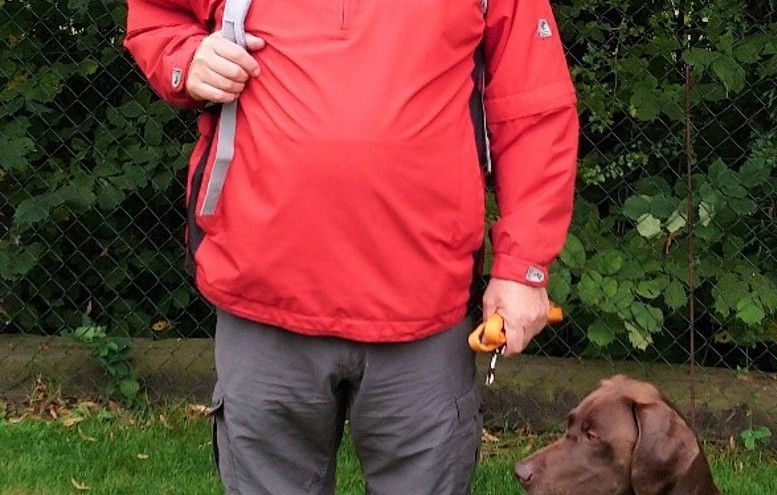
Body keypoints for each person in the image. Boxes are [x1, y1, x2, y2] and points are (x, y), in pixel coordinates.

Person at [125, 0, 578, 493]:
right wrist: (185, 60)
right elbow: (156, 16)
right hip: (263, 295)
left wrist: (523, 266)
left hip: (423, 305)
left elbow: (533, 108)